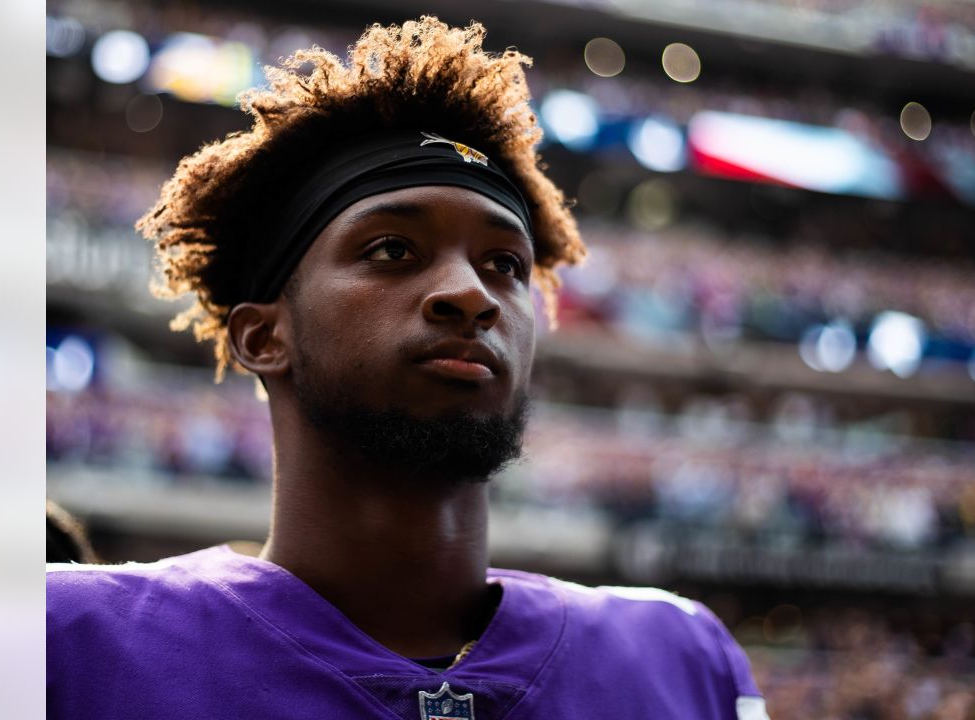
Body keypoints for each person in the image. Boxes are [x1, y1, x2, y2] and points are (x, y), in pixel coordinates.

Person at [47, 17, 770, 720]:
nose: (472, 294)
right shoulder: (62, 643)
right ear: (263, 336)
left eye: (505, 264)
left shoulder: (681, 661)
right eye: (392, 249)